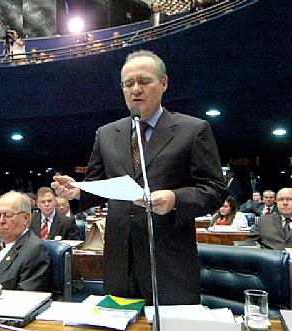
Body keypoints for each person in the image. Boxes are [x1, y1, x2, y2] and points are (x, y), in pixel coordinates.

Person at [52, 50, 226, 305]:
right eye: (128, 83)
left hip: (168, 265)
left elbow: (215, 190)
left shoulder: (193, 130)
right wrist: (77, 191)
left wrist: (175, 198)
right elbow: (98, 185)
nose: (135, 90)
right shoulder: (106, 134)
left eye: (144, 81)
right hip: (119, 264)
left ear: (164, 83)